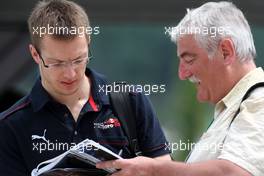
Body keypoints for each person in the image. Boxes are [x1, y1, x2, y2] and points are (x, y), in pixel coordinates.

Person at [0, 0, 171, 175]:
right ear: (35, 54)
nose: (70, 74)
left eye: (78, 59)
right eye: (57, 63)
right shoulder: (9, 126)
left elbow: (167, 170)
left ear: (88, 43)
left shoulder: (131, 101)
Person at [97, 1, 264, 176]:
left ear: (226, 51)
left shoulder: (259, 101)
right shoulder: (238, 105)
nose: (182, 74)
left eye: (189, 60)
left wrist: (153, 169)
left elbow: (235, 173)